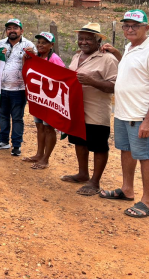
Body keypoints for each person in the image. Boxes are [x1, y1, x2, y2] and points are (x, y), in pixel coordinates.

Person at [99, 10, 149, 217]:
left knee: (146, 156)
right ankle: (127, 189)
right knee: (126, 150)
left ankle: (148, 201)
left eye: (135, 26)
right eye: (126, 25)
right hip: (123, 111)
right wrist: (116, 53)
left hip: (140, 114)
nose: (130, 29)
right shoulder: (130, 47)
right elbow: (131, 69)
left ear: (146, 28)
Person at [59, 23, 117, 196]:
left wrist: (92, 82)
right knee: (79, 141)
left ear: (98, 41)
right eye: (81, 38)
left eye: (88, 39)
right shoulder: (76, 56)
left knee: (99, 146)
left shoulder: (108, 59)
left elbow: (115, 86)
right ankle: (83, 173)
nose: (83, 42)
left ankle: (95, 182)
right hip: (76, 109)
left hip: (96, 111)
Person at [0, 19, 35, 156]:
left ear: (21, 30)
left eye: (15, 28)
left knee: (17, 117)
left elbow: (35, 65)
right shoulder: (0, 44)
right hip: (2, 87)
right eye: (9, 28)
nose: (12, 31)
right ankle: (3, 141)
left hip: (19, 89)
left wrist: (33, 54)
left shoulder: (29, 45)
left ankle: (16, 144)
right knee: (3, 116)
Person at [21, 32, 65, 167]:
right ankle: (39, 154)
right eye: (39, 42)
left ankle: (45, 159)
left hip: (50, 99)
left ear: (52, 45)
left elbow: (62, 77)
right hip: (38, 98)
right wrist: (25, 58)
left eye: (44, 43)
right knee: (39, 126)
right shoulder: (36, 57)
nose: (40, 45)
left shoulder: (55, 59)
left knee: (48, 128)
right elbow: (26, 71)